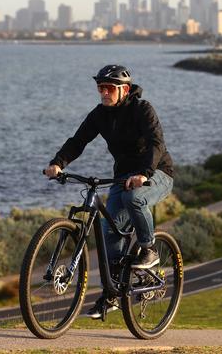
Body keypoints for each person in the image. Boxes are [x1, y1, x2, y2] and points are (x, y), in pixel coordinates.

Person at [44, 64, 174, 319]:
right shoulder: (100, 114)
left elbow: (156, 143)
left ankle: (148, 249)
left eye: (109, 88)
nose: (103, 93)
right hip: (123, 177)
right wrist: (58, 163)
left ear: (124, 90)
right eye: (100, 88)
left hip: (157, 173)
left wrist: (144, 174)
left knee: (134, 198)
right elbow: (78, 141)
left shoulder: (142, 109)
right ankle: (112, 294)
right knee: (108, 231)